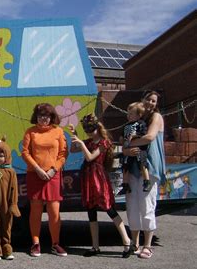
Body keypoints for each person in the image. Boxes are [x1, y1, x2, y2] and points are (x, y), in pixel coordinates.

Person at [69, 114, 133, 258]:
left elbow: (90, 157)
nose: (89, 132)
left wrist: (82, 143)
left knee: (109, 208)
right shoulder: (89, 141)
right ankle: (95, 246)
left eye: (91, 129)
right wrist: (75, 136)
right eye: (86, 129)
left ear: (97, 127)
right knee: (91, 211)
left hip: (98, 177)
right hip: (88, 177)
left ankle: (126, 241)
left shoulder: (104, 142)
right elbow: (73, 150)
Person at [124, 90, 166, 259]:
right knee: (132, 205)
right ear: (142, 100)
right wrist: (128, 149)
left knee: (147, 205)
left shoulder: (156, 117)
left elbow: (149, 137)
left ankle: (147, 245)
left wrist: (129, 142)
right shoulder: (136, 119)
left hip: (149, 165)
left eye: (154, 101)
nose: (151, 103)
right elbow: (125, 147)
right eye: (148, 99)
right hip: (133, 167)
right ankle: (135, 243)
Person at [22, 103, 68, 257]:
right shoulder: (30, 132)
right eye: (41, 115)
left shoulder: (58, 131)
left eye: (47, 116)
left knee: (54, 211)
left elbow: (63, 153)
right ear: (36, 117)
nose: (44, 119)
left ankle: (56, 243)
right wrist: (38, 169)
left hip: (53, 175)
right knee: (35, 210)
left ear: (52, 117)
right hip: (35, 174)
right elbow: (25, 153)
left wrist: (54, 169)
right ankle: (36, 243)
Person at [119, 102, 151, 194]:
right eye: (128, 114)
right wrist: (121, 139)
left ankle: (146, 181)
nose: (128, 116)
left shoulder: (140, 124)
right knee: (125, 166)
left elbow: (144, 133)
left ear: (139, 115)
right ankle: (125, 184)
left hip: (139, 149)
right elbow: (122, 136)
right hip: (128, 149)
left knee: (142, 164)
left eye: (131, 114)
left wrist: (135, 135)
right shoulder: (126, 126)